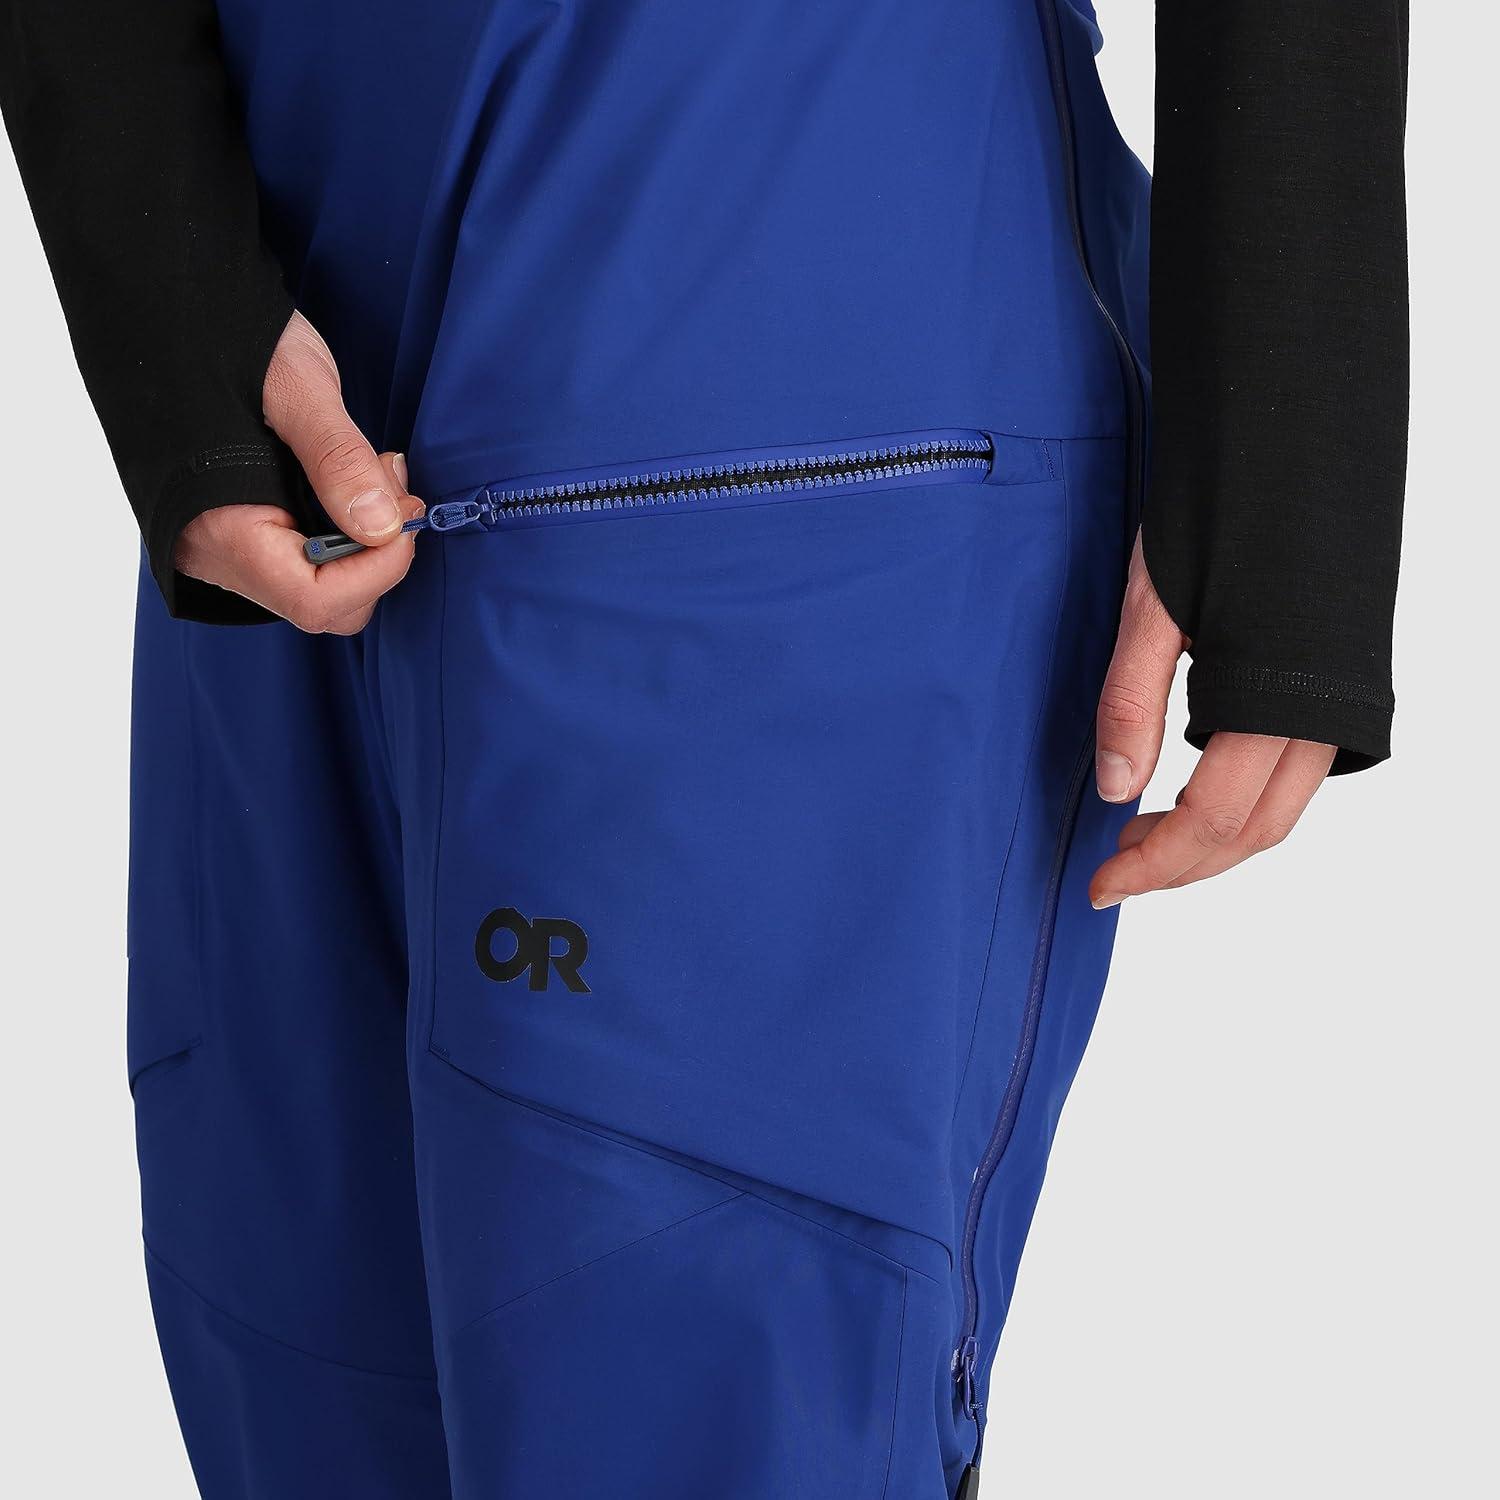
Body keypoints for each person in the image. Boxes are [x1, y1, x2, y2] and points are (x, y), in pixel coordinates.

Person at [0, 2, 1408, 1496]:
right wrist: (167, 293)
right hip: (273, 318)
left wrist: (1289, 433)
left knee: (705, 1393)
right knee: (301, 1364)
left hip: (779, 246)